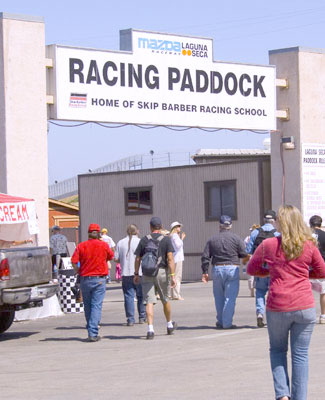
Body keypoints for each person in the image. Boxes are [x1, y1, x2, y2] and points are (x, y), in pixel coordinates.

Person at [247, 205, 325, 400]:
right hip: (304, 305)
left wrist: (269, 272)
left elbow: (251, 268)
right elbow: (322, 271)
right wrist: (306, 274)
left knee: (278, 350)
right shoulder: (308, 245)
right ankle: (300, 397)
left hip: (278, 304)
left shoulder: (268, 244)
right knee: (300, 355)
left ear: (280, 223)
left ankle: (282, 394)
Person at [134, 217, 177, 340]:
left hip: (147, 273)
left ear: (150, 227)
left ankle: (150, 329)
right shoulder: (166, 240)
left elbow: (138, 258)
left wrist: (136, 273)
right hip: (162, 271)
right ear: (161, 226)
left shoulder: (144, 240)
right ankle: (169, 324)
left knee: (149, 301)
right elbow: (170, 259)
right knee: (165, 298)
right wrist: (172, 275)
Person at [201, 215, 247, 329]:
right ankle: (227, 323)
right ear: (230, 226)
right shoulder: (236, 238)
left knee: (219, 297)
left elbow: (205, 256)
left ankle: (221, 321)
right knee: (230, 297)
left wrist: (205, 271)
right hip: (232, 267)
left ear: (219, 226)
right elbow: (243, 253)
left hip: (217, 268)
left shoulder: (212, 239)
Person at [71, 223, 114, 342]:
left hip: (85, 278)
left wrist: (78, 270)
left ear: (88, 233)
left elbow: (73, 261)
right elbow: (111, 256)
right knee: (96, 305)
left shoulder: (81, 246)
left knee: (88, 306)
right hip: (99, 279)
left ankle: (91, 328)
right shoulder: (103, 245)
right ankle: (93, 332)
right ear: (99, 233)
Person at [245, 210, 280, 327]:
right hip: (273, 268)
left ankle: (260, 313)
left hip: (260, 267)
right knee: (273, 292)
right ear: (274, 220)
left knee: (260, 292)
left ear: (264, 220)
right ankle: (273, 316)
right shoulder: (277, 234)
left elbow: (248, 250)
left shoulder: (255, 232)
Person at [114, 224, 146, 326]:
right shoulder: (141, 242)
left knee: (128, 296)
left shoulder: (120, 242)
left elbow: (116, 258)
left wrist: (123, 260)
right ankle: (142, 316)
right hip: (139, 272)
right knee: (141, 296)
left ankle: (130, 319)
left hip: (126, 273)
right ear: (137, 231)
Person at [309, 215, 325, 324]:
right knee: (323, 293)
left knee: (306, 291)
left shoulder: (305, 236)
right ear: (320, 223)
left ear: (310, 224)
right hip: (321, 266)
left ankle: (308, 315)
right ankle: (323, 315)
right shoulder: (324, 235)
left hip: (306, 266)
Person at [169, 221, 186, 300]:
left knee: (174, 276)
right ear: (175, 228)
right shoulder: (175, 235)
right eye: (178, 226)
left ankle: (173, 294)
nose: (180, 228)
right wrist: (182, 239)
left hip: (175, 258)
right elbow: (178, 245)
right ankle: (176, 295)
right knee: (177, 277)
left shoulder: (172, 235)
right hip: (177, 258)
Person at [243, 224, 260, 297]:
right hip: (259, 256)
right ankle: (259, 288)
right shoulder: (261, 237)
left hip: (250, 256)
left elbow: (245, 248)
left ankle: (252, 289)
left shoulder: (248, 238)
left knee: (250, 274)